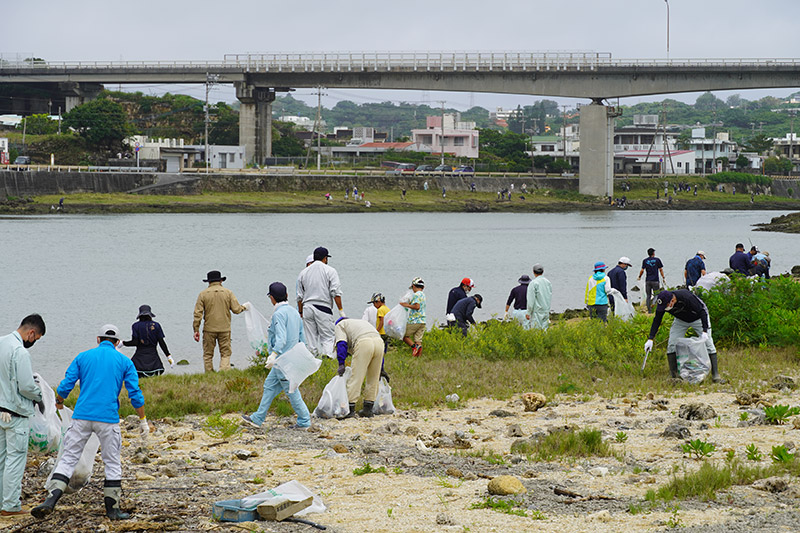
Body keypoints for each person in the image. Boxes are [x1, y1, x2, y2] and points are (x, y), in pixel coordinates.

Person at [32, 324, 148, 521]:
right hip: (108, 419)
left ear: (98, 339)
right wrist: (143, 420)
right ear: (118, 342)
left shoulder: (83, 357)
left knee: (68, 459)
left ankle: (50, 501)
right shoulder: (125, 361)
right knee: (112, 462)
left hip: (82, 417)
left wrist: (59, 402)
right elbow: (135, 394)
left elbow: (66, 384)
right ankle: (113, 511)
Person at [242, 282, 311, 430]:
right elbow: (302, 338)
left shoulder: (278, 314)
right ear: (286, 295)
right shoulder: (294, 312)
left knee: (292, 391)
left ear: (271, 298)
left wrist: (273, 355)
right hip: (291, 359)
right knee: (269, 386)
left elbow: (281, 339)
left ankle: (305, 420)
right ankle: (257, 418)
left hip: (282, 360)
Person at [0, 315, 45, 517]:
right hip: (16, 413)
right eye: (36, 338)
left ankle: (2, 500)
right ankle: (10, 506)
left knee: (1, 460)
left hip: (0, 410)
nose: (34, 342)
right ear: (31, 333)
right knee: (15, 460)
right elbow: (26, 386)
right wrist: (39, 395)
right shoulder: (20, 352)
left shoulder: (1, 342)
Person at [644, 290, 721, 383]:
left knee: (709, 344)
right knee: (672, 344)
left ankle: (715, 375)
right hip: (681, 320)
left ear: (672, 300)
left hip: (698, 318)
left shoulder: (686, 297)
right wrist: (650, 339)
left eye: (666, 306)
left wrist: (705, 330)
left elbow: (702, 311)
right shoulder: (663, 304)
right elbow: (657, 320)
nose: (664, 309)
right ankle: (674, 375)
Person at [193, 270, 246, 373]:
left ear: (208, 282)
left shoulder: (203, 294)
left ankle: (209, 374)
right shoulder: (228, 293)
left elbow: (197, 314)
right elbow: (236, 310)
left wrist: (196, 329)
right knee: (225, 353)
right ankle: (223, 372)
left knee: (208, 354)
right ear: (221, 281)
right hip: (225, 329)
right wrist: (244, 307)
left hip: (209, 329)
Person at [296, 247, 344, 358]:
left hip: (307, 307)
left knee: (311, 338)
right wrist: (341, 311)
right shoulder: (330, 270)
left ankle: (312, 359)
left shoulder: (303, 273)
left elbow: (299, 297)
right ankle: (328, 358)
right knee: (328, 337)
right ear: (325, 258)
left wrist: (300, 312)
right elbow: (336, 292)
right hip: (323, 307)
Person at [334, 317, 384, 419]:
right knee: (374, 377)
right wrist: (381, 368)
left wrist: (341, 363)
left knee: (356, 376)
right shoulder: (359, 323)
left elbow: (341, 344)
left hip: (364, 343)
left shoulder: (340, 325)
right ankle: (368, 409)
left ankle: (349, 409)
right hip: (379, 342)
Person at [122, 305, 173, 378]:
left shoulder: (136, 326)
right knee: (154, 376)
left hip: (139, 358)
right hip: (153, 358)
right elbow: (162, 343)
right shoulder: (156, 325)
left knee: (133, 373)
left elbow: (135, 342)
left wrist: (123, 343)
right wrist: (168, 356)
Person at [400, 277, 426, 357]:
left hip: (415, 320)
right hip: (422, 321)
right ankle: (418, 357)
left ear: (414, 286)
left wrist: (406, 305)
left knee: (404, 335)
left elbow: (417, 306)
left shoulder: (416, 295)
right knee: (418, 340)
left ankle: (414, 347)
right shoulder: (423, 295)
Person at [637, 248, 666, 313]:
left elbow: (642, 270)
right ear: (653, 253)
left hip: (648, 281)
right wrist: (663, 277)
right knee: (656, 294)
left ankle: (649, 310)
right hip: (655, 281)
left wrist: (639, 277)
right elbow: (660, 269)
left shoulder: (645, 260)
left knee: (648, 296)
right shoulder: (657, 260)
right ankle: (653, 304)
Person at [526, 264, 552, 330]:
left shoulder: (533, 283)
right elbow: (549, 296)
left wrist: (528, 312)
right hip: (546, 310)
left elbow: (530, 300)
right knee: (545, 331)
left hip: (536, 311)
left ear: (533, 272)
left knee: (536, 332)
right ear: (543, 271)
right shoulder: (548, 282)